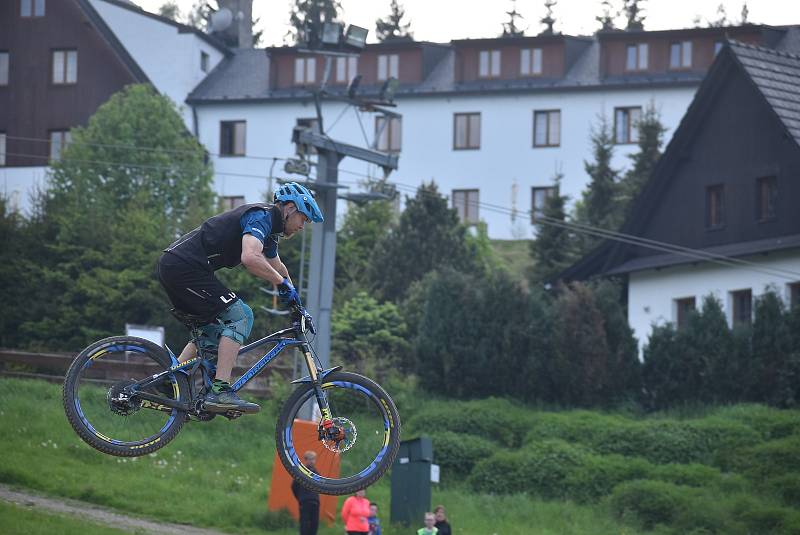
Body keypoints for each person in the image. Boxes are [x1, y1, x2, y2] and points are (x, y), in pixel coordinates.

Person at [156, 182, 323, 413]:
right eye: (304, 219)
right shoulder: (260, 217)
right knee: (241, 315)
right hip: (184, 268)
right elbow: (250, 257)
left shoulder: (270, 231)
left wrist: (297, 303)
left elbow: (278, 267)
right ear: (290, 208)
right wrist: (281, 284)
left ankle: (173, 380)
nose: (303, 226)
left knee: (212, 330)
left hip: (180, 267)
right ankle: (220, 391)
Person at [291, 451, 320, 535]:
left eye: (313, 459)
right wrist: (300, 497)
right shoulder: (301, 472)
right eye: (310, 459)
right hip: (304, 502)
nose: (312, 461)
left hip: (315, 501)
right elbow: (294, 486)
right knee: (304, 524)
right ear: (306, 460)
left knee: (314, 524)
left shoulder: (316, 472)